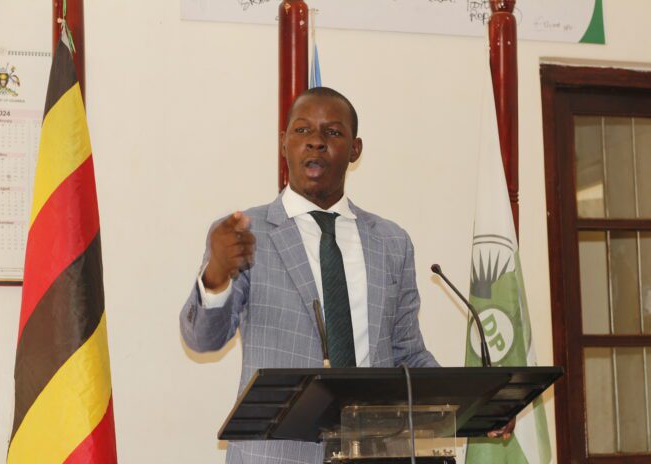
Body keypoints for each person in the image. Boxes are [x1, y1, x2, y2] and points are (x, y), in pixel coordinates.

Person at [180, 87, 507, 464]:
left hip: (376, 452)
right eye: (302, 131)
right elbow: (202, 339)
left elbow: (407, 354)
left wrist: (478, 406)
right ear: (283, 143)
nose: (315, 142)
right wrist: (216, 277)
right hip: (276, 455)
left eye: (332, 133)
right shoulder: (247, 235)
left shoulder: (390, 242)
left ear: (355, 150)